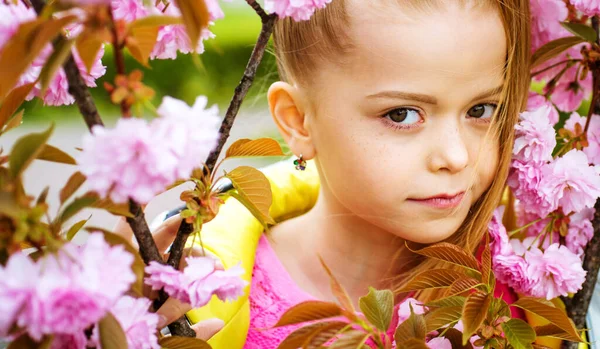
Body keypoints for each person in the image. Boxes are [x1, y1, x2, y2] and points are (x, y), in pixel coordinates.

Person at [118, 0, 539, 347]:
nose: (457, 155)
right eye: (402, 114)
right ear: (299, 120)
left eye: (481, 110)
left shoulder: (521, 280)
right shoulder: (208, 296)